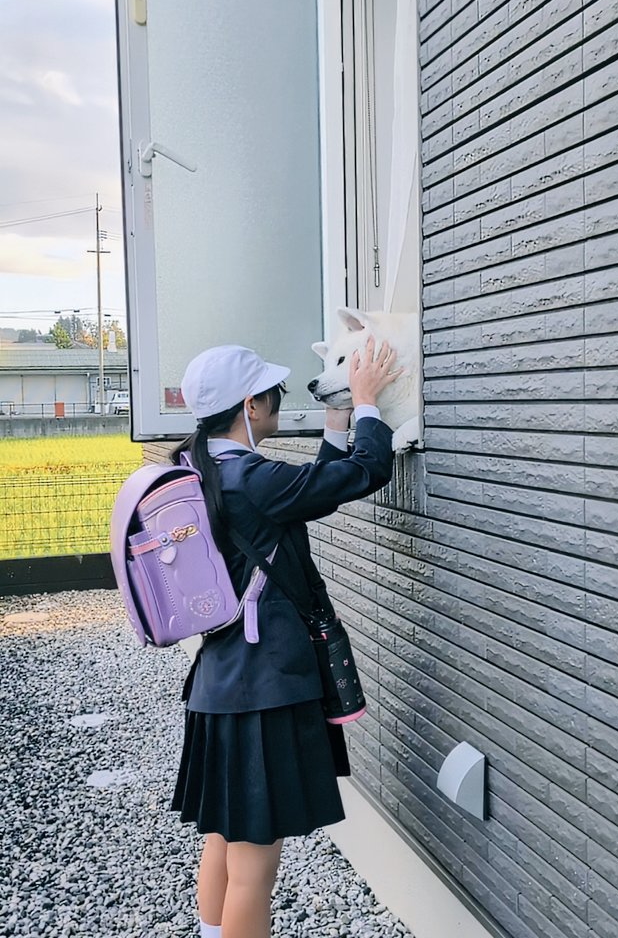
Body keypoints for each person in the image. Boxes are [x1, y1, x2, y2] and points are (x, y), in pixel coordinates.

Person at [171, 338, 401, 938]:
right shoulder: (251, 478)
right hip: (264, 690)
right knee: (255, 867)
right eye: (271, 393)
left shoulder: (196, 467)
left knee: (223, 836)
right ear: (250, 406)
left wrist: (335, 421)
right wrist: (367, 402)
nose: (278, 400)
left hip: (221, 680)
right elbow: (364, 473)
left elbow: (306, 495)